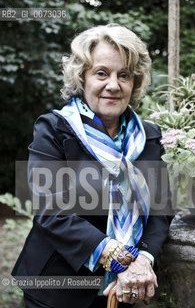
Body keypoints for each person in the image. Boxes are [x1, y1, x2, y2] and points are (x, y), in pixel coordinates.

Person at [12, 24, 172, 308]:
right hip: (58, 290)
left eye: (124, 75)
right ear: (82, 77)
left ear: (134, 83)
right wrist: (120, 260)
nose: (113, 84)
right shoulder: (54, 129)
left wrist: (143, 261)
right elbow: (50, 209)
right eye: (101, 73)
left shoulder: (148, 136)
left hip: (124, 290)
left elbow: (160, 210)